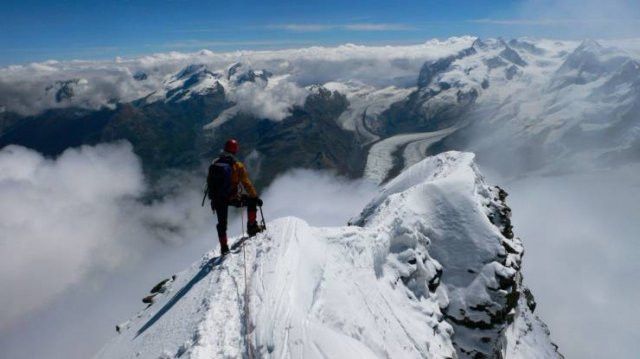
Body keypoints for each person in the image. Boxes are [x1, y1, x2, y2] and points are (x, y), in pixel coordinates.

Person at [207, 139, 263, 255]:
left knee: (222, 223)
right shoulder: (237, 166)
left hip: (218, 199)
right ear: (235, 150)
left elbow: (209, 183)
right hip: (232, 197)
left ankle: (224, 248)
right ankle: (252, 227)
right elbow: (246, 183)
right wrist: (255, 197)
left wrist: (213, 199)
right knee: (251, 201)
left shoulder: (214, 163)